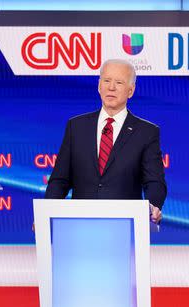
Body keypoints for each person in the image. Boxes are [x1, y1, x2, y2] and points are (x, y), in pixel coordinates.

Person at [45, 58, 166, 223]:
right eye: (106, 80)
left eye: (119, 83)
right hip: (79, 224)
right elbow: (60, 180)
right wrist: (45, 214)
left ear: (131, 90)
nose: (111, 87)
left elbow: (154, 182)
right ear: (99, 86)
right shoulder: (76, 126)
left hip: (124, 225)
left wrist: (153, 206)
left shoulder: (146, 132)